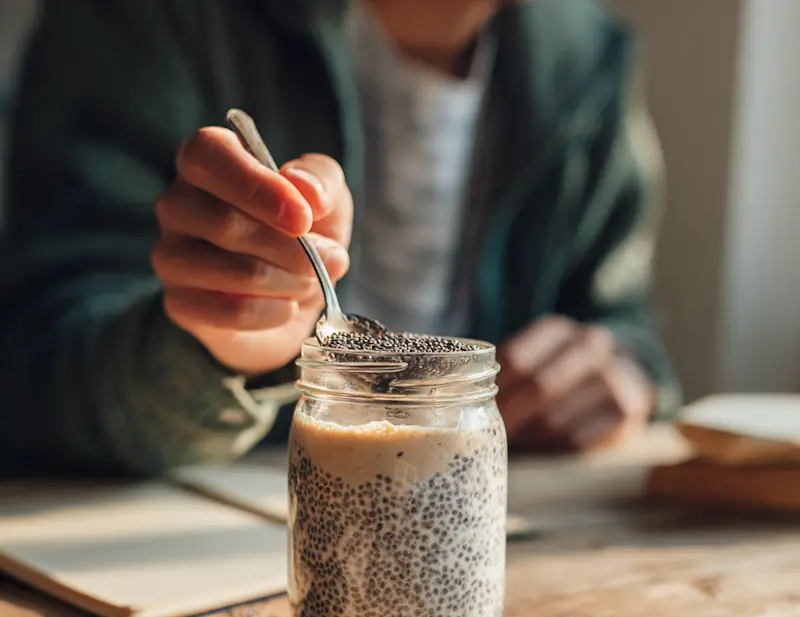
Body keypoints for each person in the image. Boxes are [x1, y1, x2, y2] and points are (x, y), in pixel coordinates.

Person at [0, 0, 680, 477]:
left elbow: (621, 314)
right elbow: (36, 358)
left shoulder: (588, 60)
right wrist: (213, 355)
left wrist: (621, 369)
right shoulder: (152, 21)